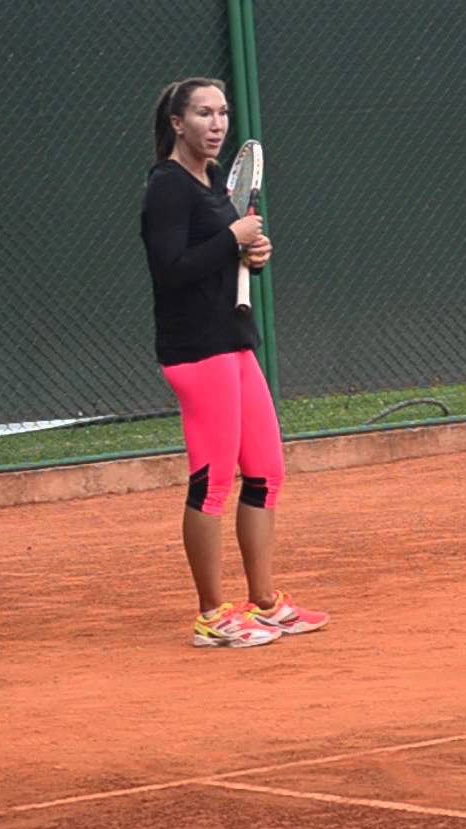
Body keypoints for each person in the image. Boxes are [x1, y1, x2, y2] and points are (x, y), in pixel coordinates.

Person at [141, 78, 327, 647]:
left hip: (234, 340)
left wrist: (254, 253)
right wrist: (232, 238)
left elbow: (224, 254)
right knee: (213, 481)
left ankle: (264, 602)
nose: (217, 123)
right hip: (197, 349)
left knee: (267, 469)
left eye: (222, 112)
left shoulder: (215, 179)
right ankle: (210, 615)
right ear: (178, 123)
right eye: (204, 113)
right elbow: (169, 269)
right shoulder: (167, 187)